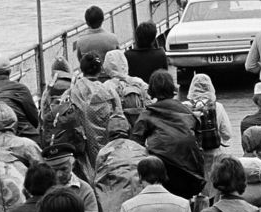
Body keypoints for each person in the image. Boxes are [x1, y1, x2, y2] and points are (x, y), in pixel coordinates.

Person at [132, 69, 204, 200]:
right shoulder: (187, 111)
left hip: (161, 169)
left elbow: (136, 144)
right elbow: (198, 140)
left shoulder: (148, 113)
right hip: (189, 169)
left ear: (152, 90)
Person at [93, 113, 149, 212]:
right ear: (128, 130)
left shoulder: (104, 151)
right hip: (140, 207)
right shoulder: (141, 149)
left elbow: (97, 180)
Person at [69, 51, 123, 136]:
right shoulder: (110, 92)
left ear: (81, 69)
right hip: (109, 144)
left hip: (84, 144)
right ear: (100, 69)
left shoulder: (74, 92)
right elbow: (120, 117)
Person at [186, 72, 237, 158]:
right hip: (215, 155)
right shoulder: (218, 106)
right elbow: (227, 133)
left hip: (193, 155)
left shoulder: (185, 106)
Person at [101, 48, 150, 130]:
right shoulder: (138, 82)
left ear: (107, 66)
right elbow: (150, 103)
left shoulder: (106, 87)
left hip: (119, 131)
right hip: (140, 128)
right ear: (125, 63)